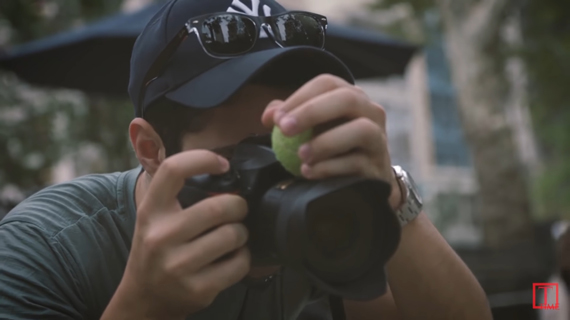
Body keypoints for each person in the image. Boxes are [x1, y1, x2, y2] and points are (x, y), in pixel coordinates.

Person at [0, 0, 493, 319]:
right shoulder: (49, 245)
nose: (282, 185)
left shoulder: (323, 212)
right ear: (150, 149)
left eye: (290, 147)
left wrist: (390, 192)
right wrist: (145, 305)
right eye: (243, 157)